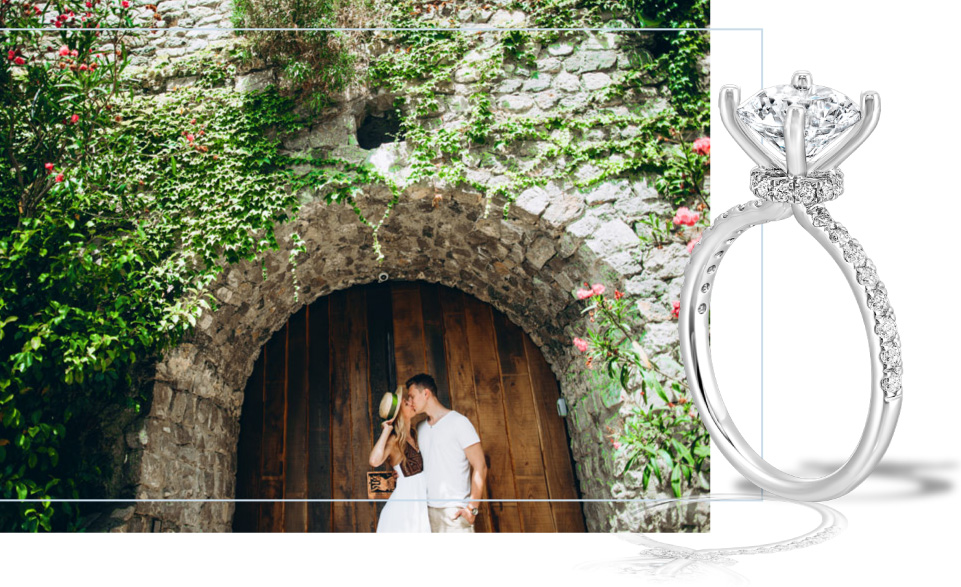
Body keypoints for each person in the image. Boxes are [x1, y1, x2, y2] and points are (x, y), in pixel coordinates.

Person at [405, 373, 487, 533]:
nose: (410, 402)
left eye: (412, 396)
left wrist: (472, 509)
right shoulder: (421, 428)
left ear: (426, 393)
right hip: (426, 513)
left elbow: (480, 466)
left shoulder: (459, 422)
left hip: (454, 514)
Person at [369, 385, 430, 533]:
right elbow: (374, 461)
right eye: (406, 403)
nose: (411, 403)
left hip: (420, 504)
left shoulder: (415, 434)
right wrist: (386, 430)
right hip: (404, 509)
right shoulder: (394, 439)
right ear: (398, 413)